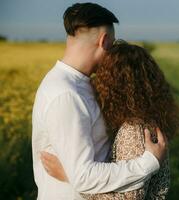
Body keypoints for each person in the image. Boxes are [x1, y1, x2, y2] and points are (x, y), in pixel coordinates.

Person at [32, 3, 167, 200]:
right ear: (104, 41)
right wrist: (148, 163)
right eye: (112, 45)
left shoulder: (80, 85)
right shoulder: (66, 94)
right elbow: (83, 177)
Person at [41, 41, 179, 199]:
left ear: (113, 86)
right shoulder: (147, 121)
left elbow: (129, 198)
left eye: (101, 77)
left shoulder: (133, 130)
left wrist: (71, 178)